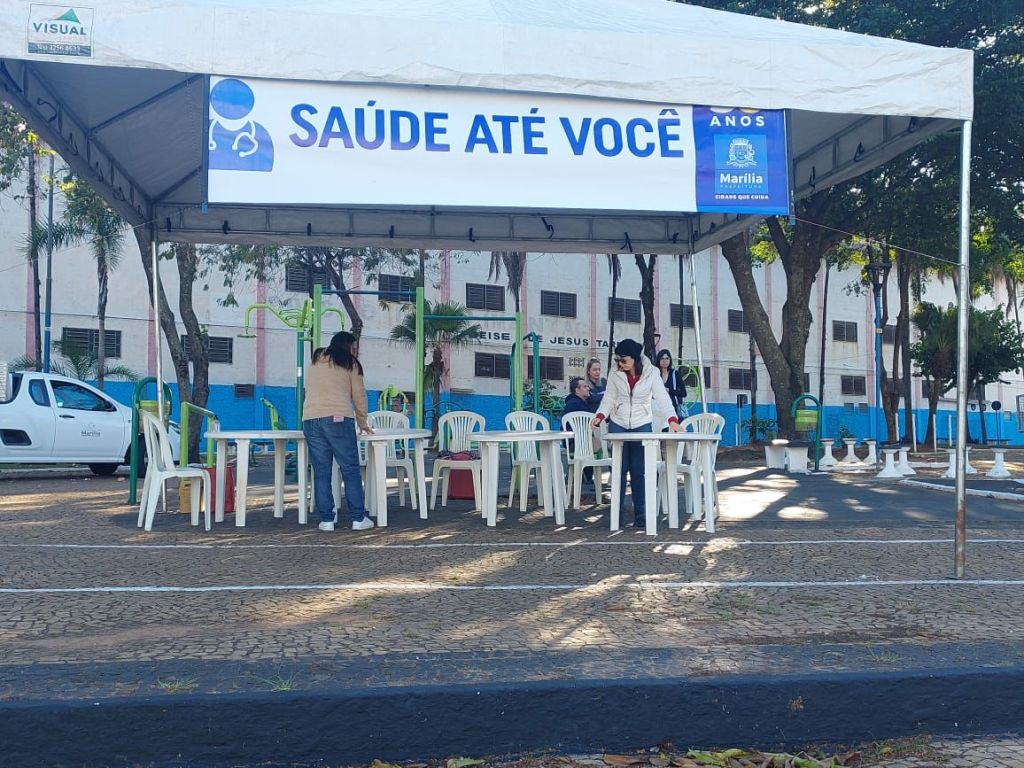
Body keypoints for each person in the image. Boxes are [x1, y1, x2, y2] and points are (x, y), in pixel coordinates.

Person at [591, 339, 681, 527]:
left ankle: (641, 514)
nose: (620, 363)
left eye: (623, 360)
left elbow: (663, 398)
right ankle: (616, 515)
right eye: (618, 360)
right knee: (619, 470)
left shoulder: (652, 373)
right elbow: (609, 397)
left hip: (642, 423)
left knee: (640, 471)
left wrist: (672, 420)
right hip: (618, 422)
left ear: (635, 358)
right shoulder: (615, 373)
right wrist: (600, 415)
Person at [302, 331, 375, 532]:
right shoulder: (351, 364)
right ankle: (358, 518)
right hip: (338, 419)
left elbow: (309, 388)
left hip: (310, 418)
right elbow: (359, 396)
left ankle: (327, 520)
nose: (356, 350)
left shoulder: (316, 361)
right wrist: (362, 422)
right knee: (350, 469)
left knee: (321, 470)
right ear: (347, 346)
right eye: (354, 347)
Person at [562, 376, 600, 494]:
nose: (588, 388)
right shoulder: (577, 405)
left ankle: (582, 476)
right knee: (611, 445)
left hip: (574, 443)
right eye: (584, 386)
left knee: (602, 443)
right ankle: (615, 478)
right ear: (577, 390)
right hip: (577, 443)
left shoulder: (573, 403)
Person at [654, 349, 688, 423]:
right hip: (657, 410)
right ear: (658, 360)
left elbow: (683, 393)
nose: (664, 361)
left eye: (667, 358)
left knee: (674, 432)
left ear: (670, 360)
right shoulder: (655, 375)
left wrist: (669, 390)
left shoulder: (675, 374)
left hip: (674, 410)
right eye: (662, 359)